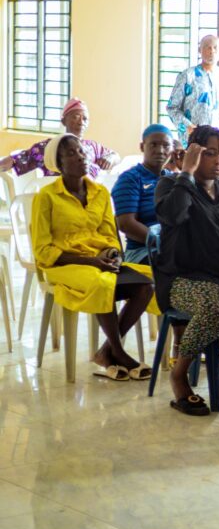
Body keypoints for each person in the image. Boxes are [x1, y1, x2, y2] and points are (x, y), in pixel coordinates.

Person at [154, 126, 219, 416]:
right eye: (210, 153)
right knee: (214, 307)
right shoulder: (171, 185)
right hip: (184, 278)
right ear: (192, 153)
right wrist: (187, 173)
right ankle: (179, 376)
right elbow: (173, 214)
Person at [33, 134, 155, 381]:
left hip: (100, 262)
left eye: (81, 151)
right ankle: (119, 352)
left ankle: (105, 352)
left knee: (147, 284)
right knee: (101, 283)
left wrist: (112, 255)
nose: (81, 157)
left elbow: (110, 236)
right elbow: (43, 250)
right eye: (71, 154)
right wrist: (91, 261)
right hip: (64, 264)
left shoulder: (100, 192)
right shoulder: (46, 197)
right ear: (58, 164)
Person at [0, 98, 119, 178]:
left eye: (85, 119)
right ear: (63, 121)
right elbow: (17, 159)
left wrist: (110, 158)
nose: (81, 122)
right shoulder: (49, 147)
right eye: (75, 117)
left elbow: (115, 156)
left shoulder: (93, 147)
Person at [111, 124, 175, 264]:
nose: (160, 150)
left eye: (166, 145)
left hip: (175, 248)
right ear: (142, 147)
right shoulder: (130, 178)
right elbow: (126, 224)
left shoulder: (174, 179)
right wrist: (162, 243)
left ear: (173, 149)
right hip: (143, 251)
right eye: (153, 145)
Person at [166, 34, 219, 141]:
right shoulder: (187, 76)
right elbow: (172, 108)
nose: (212, 51)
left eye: (215, 47)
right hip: (193, 138)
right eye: (207, 47)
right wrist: (188, 126)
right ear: (200, 50)